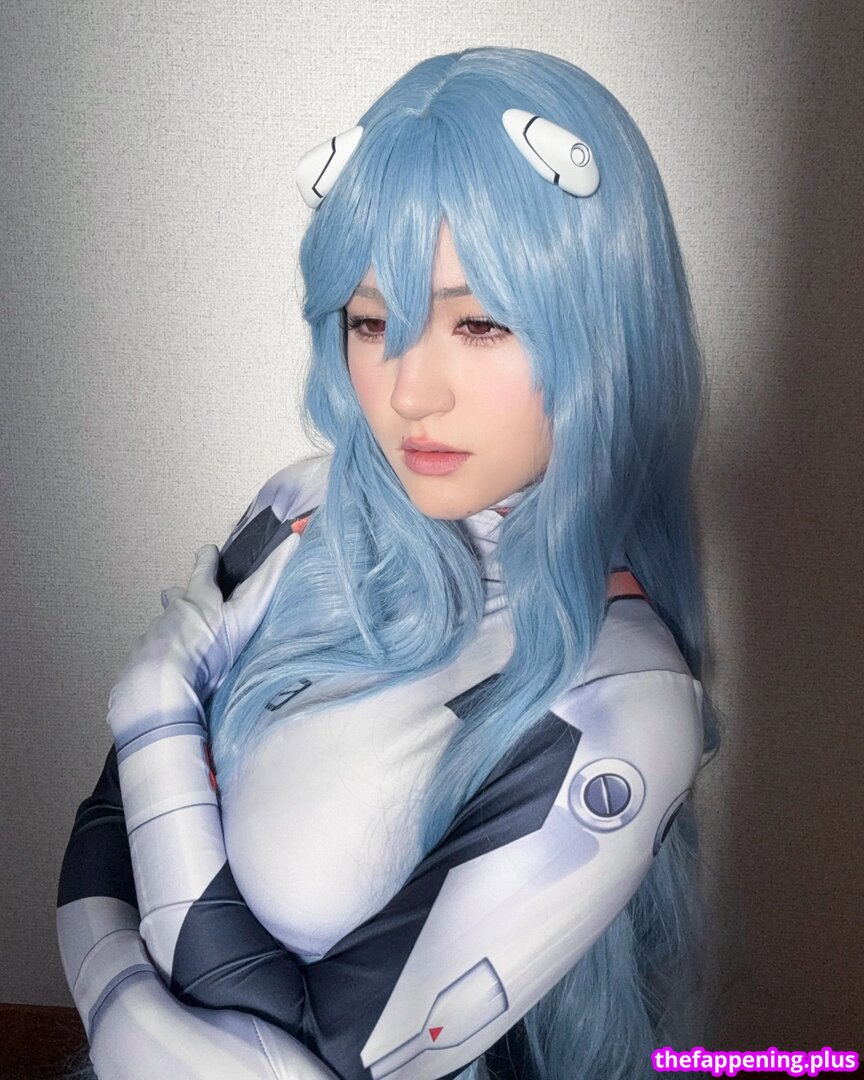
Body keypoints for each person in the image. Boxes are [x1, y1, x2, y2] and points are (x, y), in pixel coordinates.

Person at [57, 46, 719, 1080]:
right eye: (372, 322)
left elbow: (342, 1054)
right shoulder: (299, 508)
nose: (410, 392)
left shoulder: (625, 701)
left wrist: (153, 713)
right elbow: (100, 831)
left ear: (606, 333)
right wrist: (126, 1014)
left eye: (480, 322)